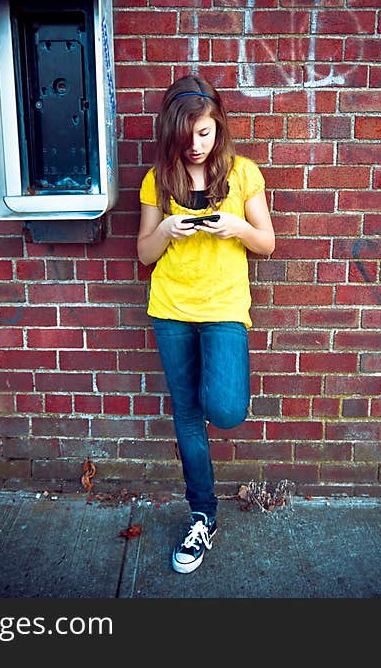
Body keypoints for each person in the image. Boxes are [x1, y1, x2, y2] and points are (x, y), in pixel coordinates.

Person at [137, 73, 275, 573]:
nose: (196, 145)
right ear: (171, 131)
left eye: (205, 133)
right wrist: (169, 229)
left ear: (219, 128)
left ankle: (222, 387)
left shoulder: (242, 174)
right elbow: (144, 252)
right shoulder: (159, 179)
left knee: (226, 408)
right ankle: (202, 514)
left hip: (223, 309)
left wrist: (238, 226)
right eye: (187, 135)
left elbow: (268, 241)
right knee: (187, 414)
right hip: (171, 308)